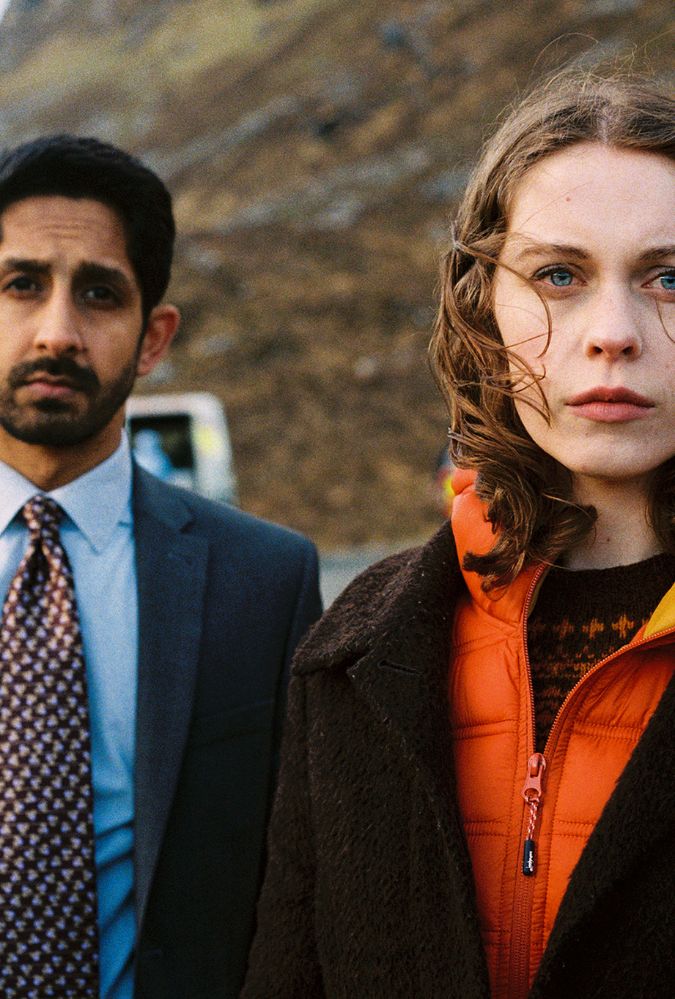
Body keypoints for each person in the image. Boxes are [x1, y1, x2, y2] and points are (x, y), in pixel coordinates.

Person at [242, 69, 674, 999]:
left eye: (670, 276)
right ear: (481, 304)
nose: (613, 332)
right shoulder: (355, 646)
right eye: (557, 274)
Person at [0, 134, 322, 999]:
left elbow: (296, 886)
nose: (57, 331)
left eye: (99, 293)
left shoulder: (266, 582)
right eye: (20, 283)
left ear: (152, 338)